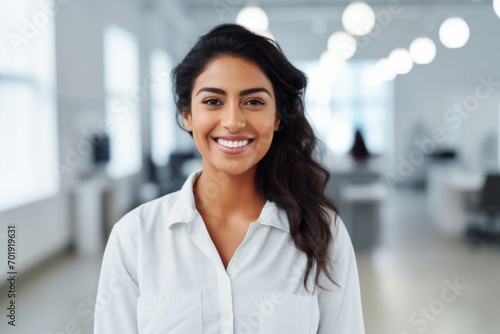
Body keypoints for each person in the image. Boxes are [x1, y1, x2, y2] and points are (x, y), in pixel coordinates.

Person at [94, 23, 365, 334]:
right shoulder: (134, 237)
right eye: (213, 101)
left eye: (253, 102)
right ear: (187, 115)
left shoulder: (323, 234)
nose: (233, 122)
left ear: (277, 117)